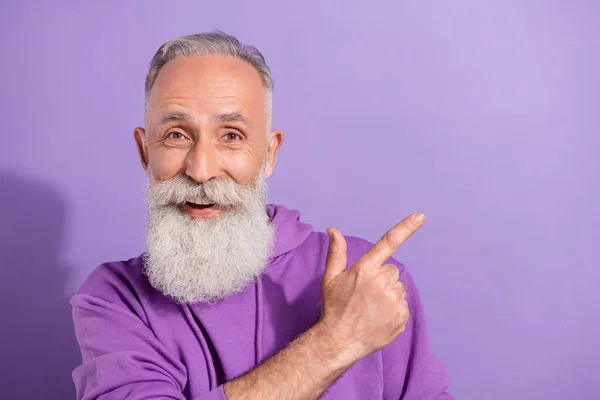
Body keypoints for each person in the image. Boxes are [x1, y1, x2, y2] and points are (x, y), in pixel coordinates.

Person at [71, 31, 452, 400]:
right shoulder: (114, 299)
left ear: (269, 154)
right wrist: (337, 341)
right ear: (144, 152)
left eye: (232, 135)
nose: (201, 170)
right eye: (176, 135)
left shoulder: (368, 279)